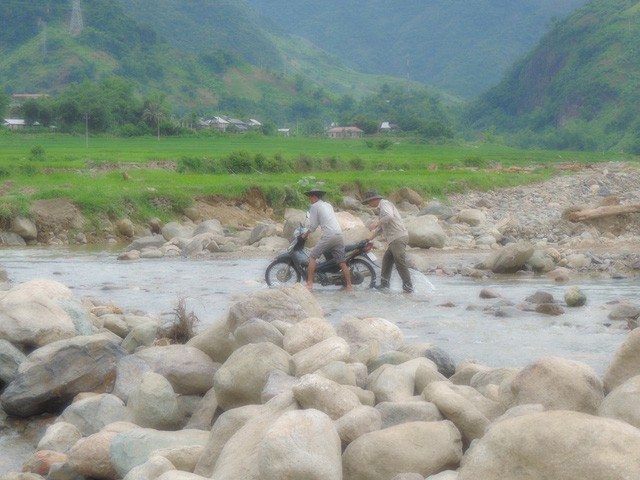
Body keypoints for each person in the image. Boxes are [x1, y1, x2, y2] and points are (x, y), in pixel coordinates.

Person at [362, 189, 413, 293]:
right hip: (394, 239)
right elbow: (383, 225)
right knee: (387, 260)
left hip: (398, 237)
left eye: (368, 201)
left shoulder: (384, 204)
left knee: (399, 261)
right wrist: (371, 237)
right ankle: (384, 285)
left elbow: (389, 216)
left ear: (374, 199)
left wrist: (376, 223)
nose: (368, 204)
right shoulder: (382, 209)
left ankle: (408, 287)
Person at [303, 189, 352, 291]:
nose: (309, 199)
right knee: (342, 262)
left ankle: (309, 283)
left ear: (314, 197)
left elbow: (313, 225)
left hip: (329, 235)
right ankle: (349, 286)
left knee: (312, 256)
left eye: (310, 197)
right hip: (339, 234)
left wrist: (305, 234)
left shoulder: (314, 206)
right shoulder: (328, 205)